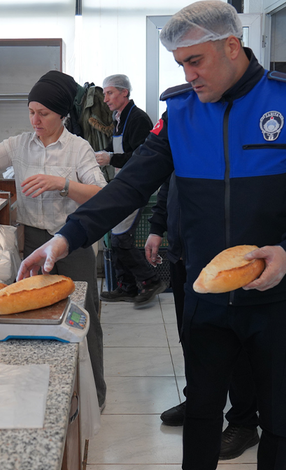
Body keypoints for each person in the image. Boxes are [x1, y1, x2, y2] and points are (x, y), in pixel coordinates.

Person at [18, 2, 286, 470]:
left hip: (277, 293)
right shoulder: (179, 112)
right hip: (205, 292)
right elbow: (129, 187)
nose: (188, 74)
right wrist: (66, 237)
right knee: (202, 405)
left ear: (231, 46)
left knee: (278, 410)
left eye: (195, 60)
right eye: (181, 63)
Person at [0, 70, 109, 408]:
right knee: (38, 318)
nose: (35, 120)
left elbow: (102, 193)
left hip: (72, 243)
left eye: (43, 113)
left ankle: (94, 396)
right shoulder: (19, 144)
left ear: (61, 113)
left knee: (82, 316)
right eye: (31, 111)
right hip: (32, 242)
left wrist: (60, 183)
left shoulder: (78, 149)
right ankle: (53, 394)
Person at [146, 176, 260, 460]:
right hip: (184, 256)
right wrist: (157, 227)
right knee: (192, 337)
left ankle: (244, 422)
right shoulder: (181, 134)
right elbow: (168, 183)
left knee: (234, 343)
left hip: (223, 264)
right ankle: (199, 401)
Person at [95, 74, 165, 307]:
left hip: (136, 185)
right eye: (105, 94)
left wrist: (111, 157)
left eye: (110, 93)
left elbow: (141, 157)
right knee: (115, 239)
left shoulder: (138, 119)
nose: (105, 99)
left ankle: (151, 280)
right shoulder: (118, 118)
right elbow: (113, 149)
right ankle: (127, 286)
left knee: (120, 239)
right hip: (122, 184)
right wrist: (100, 155)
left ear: (125, 92)